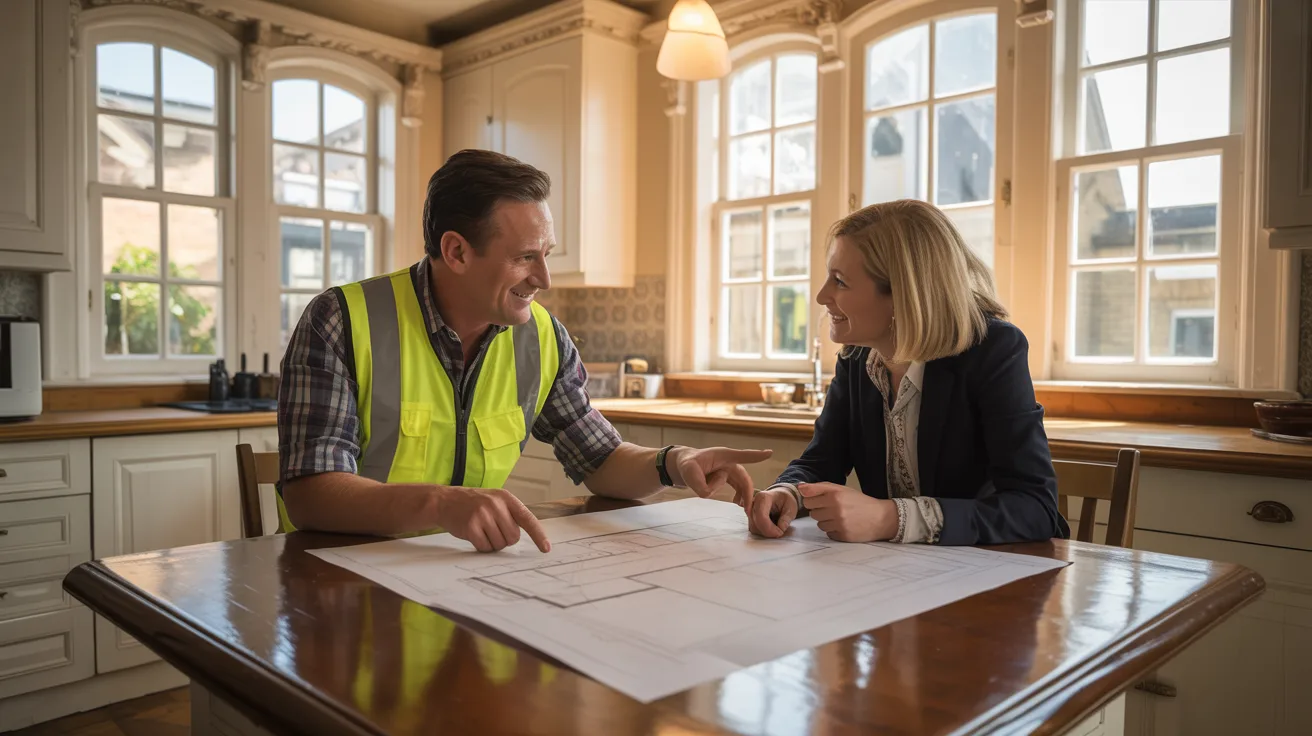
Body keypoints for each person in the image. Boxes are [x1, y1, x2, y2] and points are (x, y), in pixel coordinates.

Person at [278, 149, 771, 552]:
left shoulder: (542, 337)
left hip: (470, 573)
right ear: (457, 252)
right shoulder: (341, 320)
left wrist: (673, 460)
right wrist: (441, 504)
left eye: (546, 255)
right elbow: (311, 495)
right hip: (341, 576)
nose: (544, 279)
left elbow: (599, 459)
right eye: (524, 258)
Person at [745, 200, 1069, 546]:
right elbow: (823, 460)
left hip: (996, 577)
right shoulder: (856, 358)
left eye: (839, 281)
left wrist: (890, 518)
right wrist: (788, 492)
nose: (822, 295)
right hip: (899, 577)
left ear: (902, 293)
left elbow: (1035, 509)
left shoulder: (993, 350)